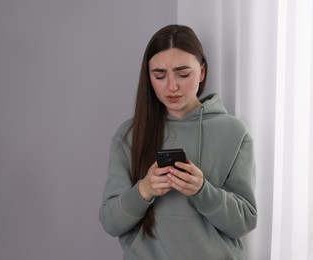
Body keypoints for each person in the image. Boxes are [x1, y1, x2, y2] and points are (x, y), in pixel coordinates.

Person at [99, 24, 257, 260]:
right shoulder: (129, 135)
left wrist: (202, 190)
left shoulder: (234, 133)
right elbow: (111, 222)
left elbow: (244, 222)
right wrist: (144, 190)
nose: (171, 86)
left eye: (183, 74)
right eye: (159, 75)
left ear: (202, 72)